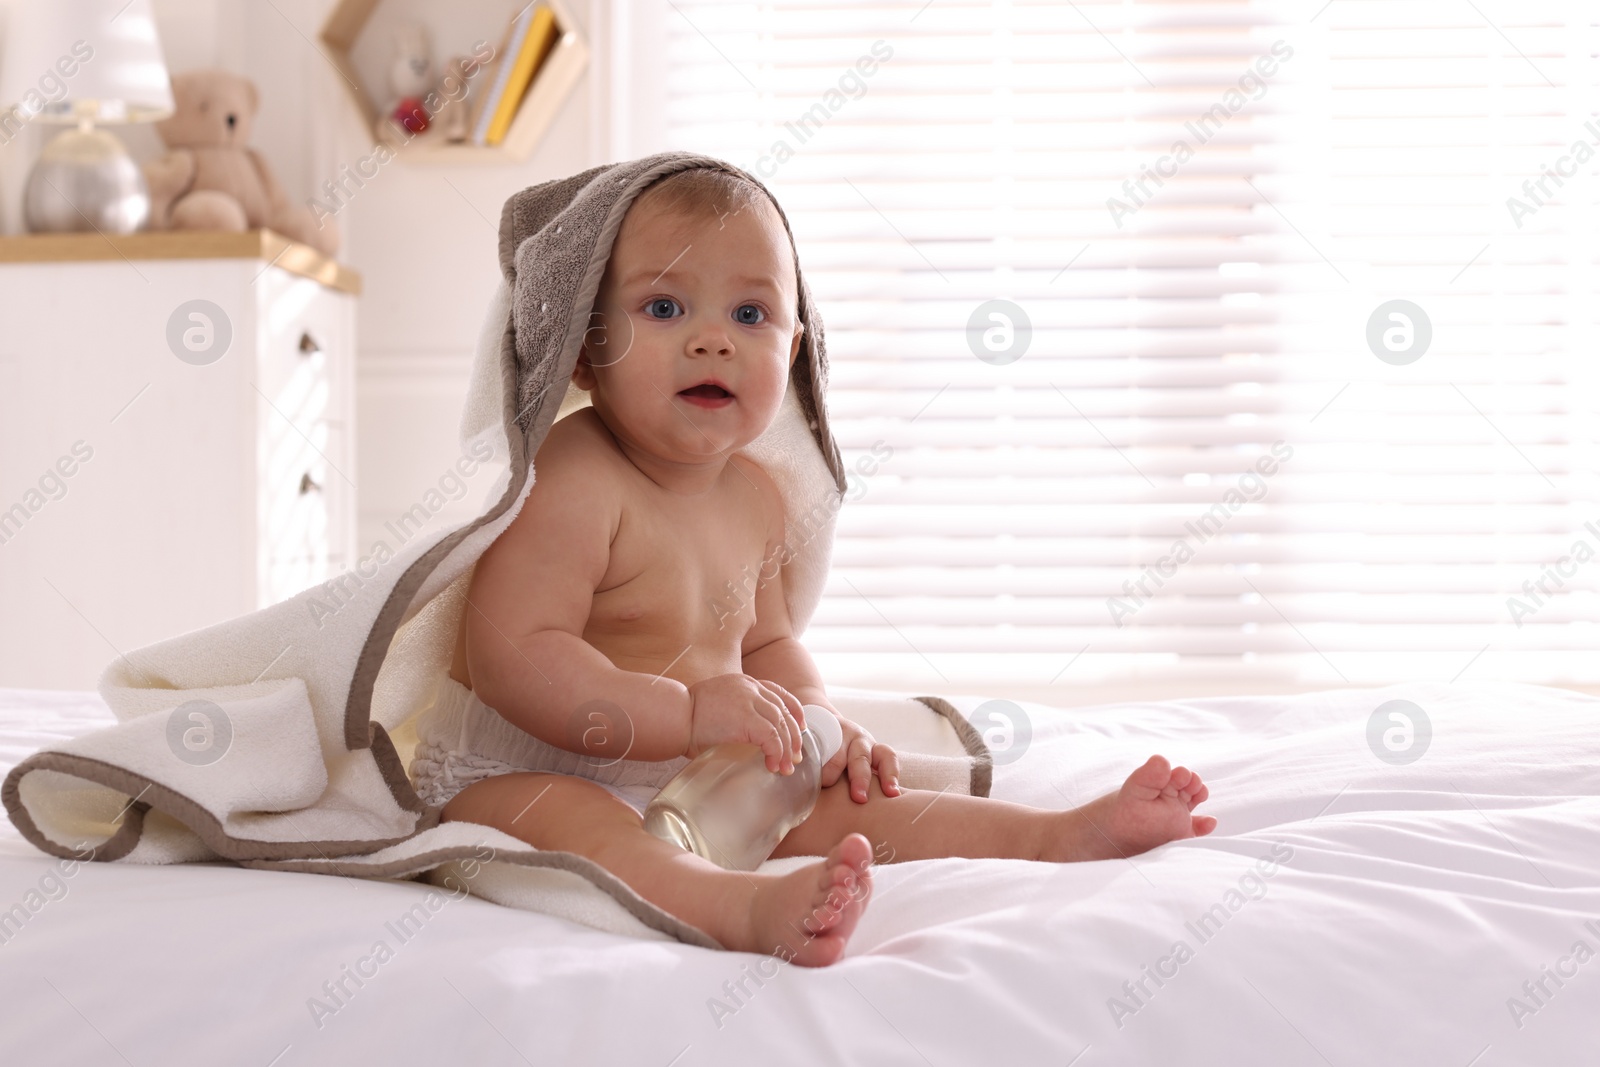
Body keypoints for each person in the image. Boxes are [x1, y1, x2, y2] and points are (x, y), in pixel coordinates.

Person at [416, 165, 1215, 967]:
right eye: (663, 307)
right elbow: (515, 656)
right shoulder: (574, 475)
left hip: (699, 771)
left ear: (792, 349)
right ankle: (739, 908)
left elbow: (763, 645)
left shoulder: (755, 500)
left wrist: (817, 722)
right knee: (586, 823)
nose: (712, 338)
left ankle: (1058, 835)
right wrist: (687, 713)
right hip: (525, 761)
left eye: (751, 313)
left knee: (857, 805)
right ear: (585, 350)